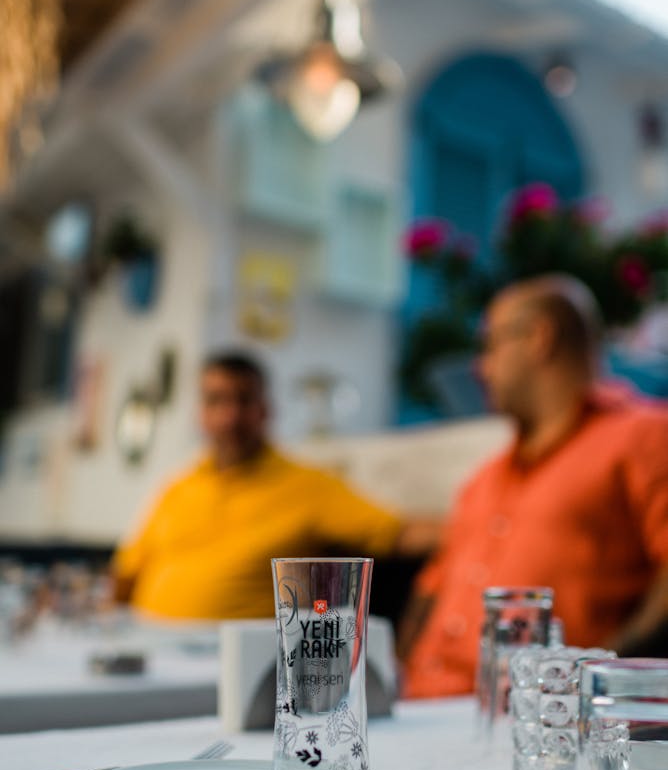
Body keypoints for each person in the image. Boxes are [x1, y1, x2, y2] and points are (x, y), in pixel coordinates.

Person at [401, 274, 668, 699]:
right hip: (419, 707)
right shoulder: (485, 476)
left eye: (489, 345)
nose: (479, 366)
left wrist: (590, 684)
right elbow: (429, 592)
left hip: (535, 720)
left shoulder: (644, 436)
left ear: (538, 337)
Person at [113, 351, 438, 620]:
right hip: (144, 645)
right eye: (216, 401)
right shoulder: (176, 487)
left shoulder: (309, 485)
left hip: (234, 660)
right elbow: (124, 577)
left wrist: (480, 524)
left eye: (243, 401)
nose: (230, 417)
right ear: (200, 414)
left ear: (266, 410)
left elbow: (399, 533)